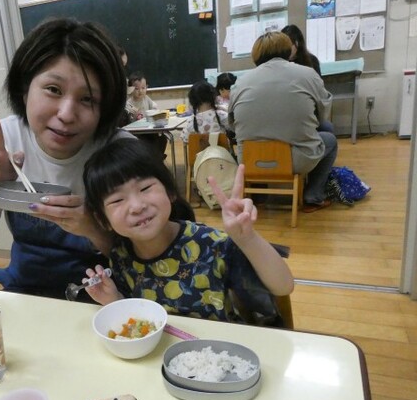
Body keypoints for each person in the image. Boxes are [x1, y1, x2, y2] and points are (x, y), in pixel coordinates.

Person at [0, 17, 133, 299]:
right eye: (53, 90)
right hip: (27, 293)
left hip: (107, 297)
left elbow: (154, 255)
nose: (66, 114)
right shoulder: (4, 141)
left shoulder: (121, 153)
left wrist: (93, 228)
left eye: (87, 99)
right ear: (25, 89)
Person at [81, 138, 294, 321]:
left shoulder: (210, 244)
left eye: (145, 188)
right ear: (103, 219)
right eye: (117, 200)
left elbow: (283, 286)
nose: (137, 206)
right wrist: (114, 300)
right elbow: (139, 319)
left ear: (170, 191)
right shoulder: (121, 255)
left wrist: (247, 239)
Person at [228, 31, 338, 213]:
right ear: (289, 50)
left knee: (254, 138)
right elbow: (323, 114)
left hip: (251, 160)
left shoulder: (241, 82)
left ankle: (258, 197)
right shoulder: (307, 74)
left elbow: (232, 124)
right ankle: (313, 196)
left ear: (256, 56)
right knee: (330, 140)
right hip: (296, 159)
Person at [281, 24, 334, 133]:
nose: (285, 50)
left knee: (327, 127)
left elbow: (319, 91)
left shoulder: (311, 61)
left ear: (297, 43)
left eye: (288, 46)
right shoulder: (279, 64)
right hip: (286, 112)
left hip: (307, 110)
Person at [125, 71, 167, 159]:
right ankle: (152, 158)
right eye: (136, 89)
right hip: (137, 133)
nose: (140, 91)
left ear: (147, 87)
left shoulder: (146, 99)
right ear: (130, 89)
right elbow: (128, 121)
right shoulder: (129, 103)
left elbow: (154, 110)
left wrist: (157, 114)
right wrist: (134, 116)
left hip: (148, 130)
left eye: (143, 88)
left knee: (162, 139)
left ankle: (157, 158)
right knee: (146, 142)